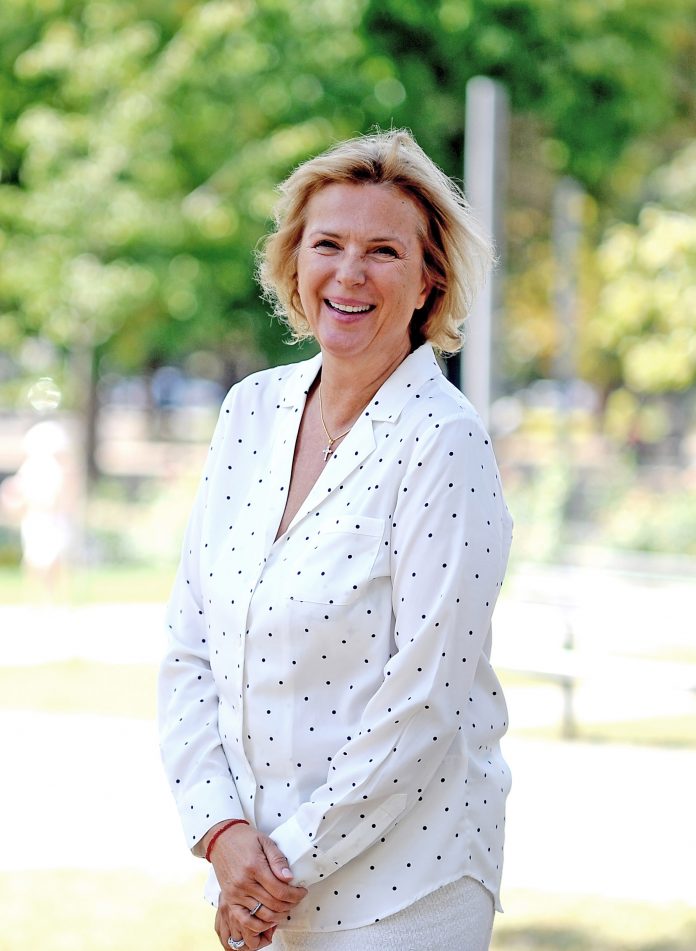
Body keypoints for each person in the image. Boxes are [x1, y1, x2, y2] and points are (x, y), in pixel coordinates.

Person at [158, 129, 513, 951]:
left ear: (429, 279)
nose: (350, 273)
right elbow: (189, 645)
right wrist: (221, 833)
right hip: (255, 873)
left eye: (384, 251)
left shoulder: (443, 440)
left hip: (405, 892)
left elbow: (425, 701)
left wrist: (272, 872)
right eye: (328, 244)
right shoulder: (250, 411)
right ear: (295, 261)